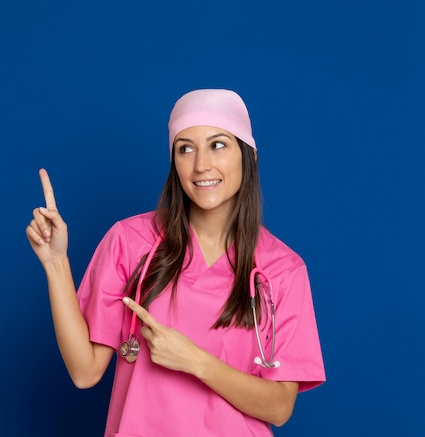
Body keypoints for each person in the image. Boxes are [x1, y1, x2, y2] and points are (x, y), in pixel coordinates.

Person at [26, 89, 325, 437]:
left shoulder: (282, 270)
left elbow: (280, 407)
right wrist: (56, 263)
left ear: (249, 156)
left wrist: (195, 361)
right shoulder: (129, 241)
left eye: (218, 144)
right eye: (186, 148)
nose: (201, 165)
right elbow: (84, 371)